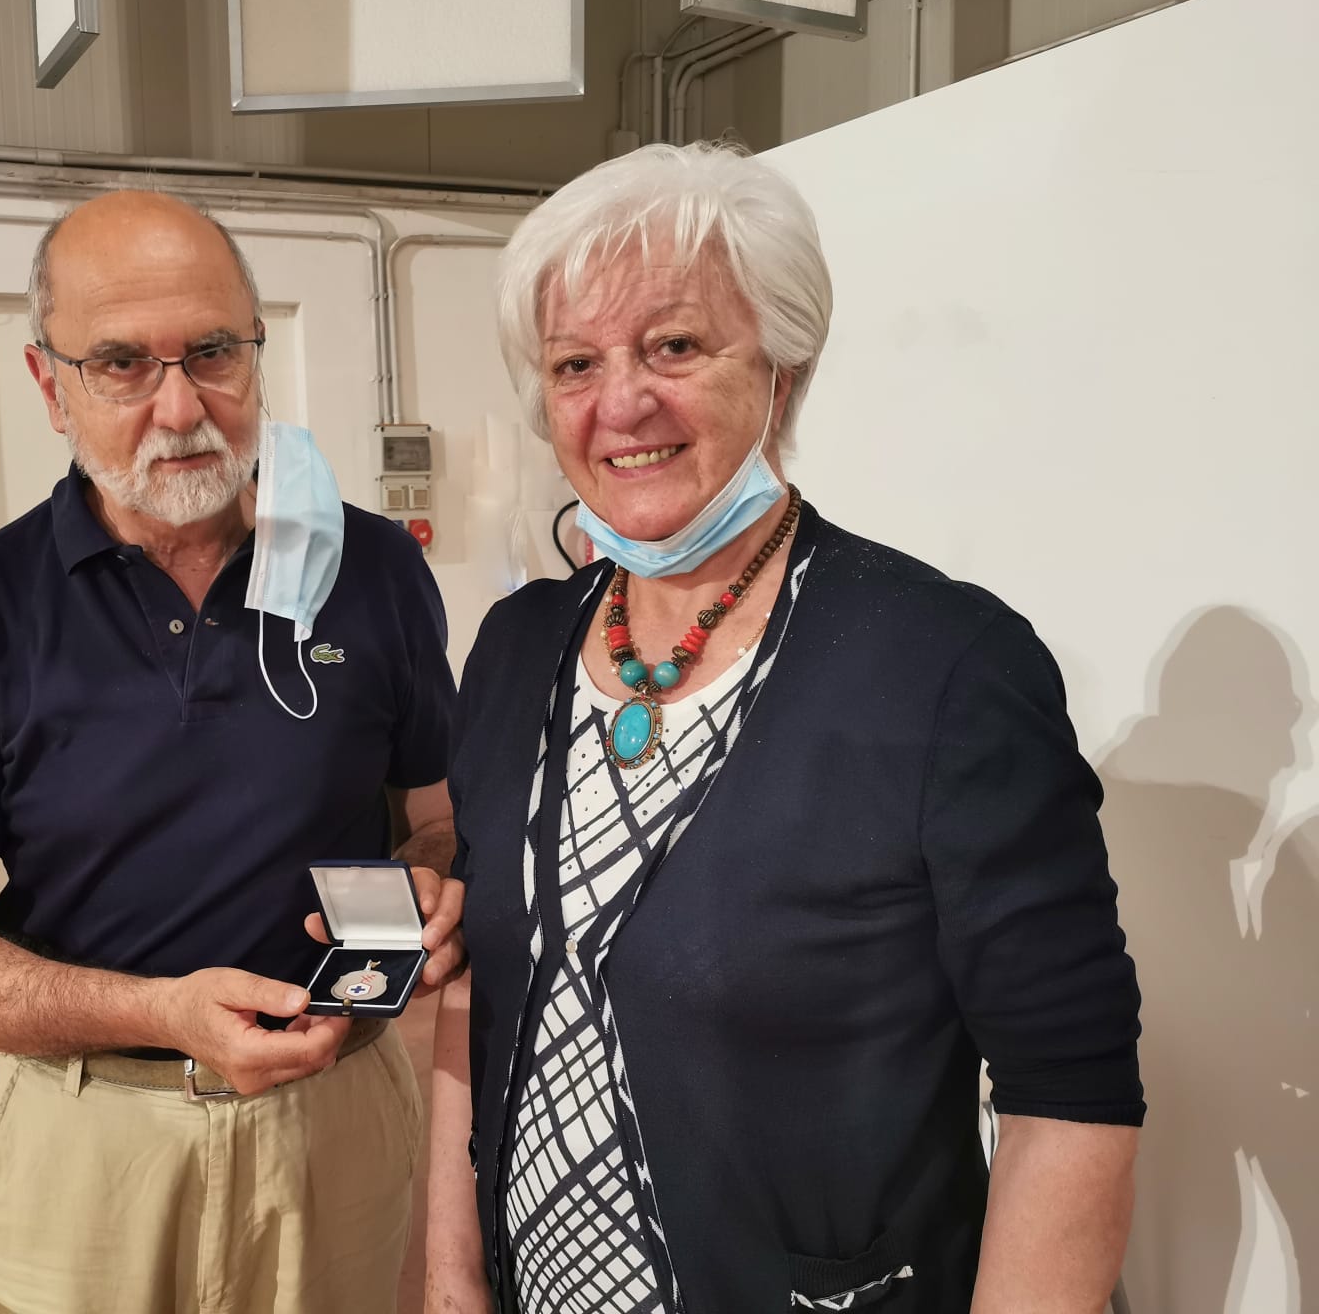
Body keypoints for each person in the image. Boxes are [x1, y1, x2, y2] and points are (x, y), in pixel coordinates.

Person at [423, 143, 1144, 1314]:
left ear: (784, 368)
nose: (621, 403)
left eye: (674, 345)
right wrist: (451, 1282)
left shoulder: (943, 668)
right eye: (575, 363)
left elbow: (1070, 1098)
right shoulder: (515, 651)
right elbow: (482, 989)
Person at [0, 191, 465, 1314]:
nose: (181, 407)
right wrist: (156, 1012)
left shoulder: (375, 568)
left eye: (214, 352)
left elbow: (435, 817)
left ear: (257, 354)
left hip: (335, 1121)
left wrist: (430, 881)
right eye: (122, 364)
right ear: (51, 385)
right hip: (85, 1140)